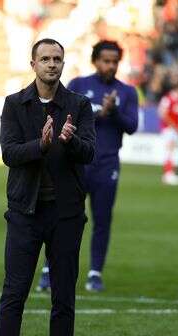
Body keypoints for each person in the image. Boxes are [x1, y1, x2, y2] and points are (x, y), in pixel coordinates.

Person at [0, 38, 95, 336]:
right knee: (15, 292)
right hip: (24, 212)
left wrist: (69, 141)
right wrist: (42, 145)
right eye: (45, 59)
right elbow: (9, 153)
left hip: (66, 214)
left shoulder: (79, 105)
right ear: (33, 63)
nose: (52, 64)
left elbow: (89, 153)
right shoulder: (14, 104)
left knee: (64, 294)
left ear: (63, 64)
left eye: (57, 59)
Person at [36, 40, 138, 293]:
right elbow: (60, 118)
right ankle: (50, 269)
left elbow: (132, 126)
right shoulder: (79, 85)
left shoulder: (127, 92)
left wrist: (113, 112)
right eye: (106, 60)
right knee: (63, 218)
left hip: (107, 165)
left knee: (102, 220)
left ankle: (94, 273)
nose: (111, 65)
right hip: (75, 164)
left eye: (115, 61)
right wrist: (100, 113)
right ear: (95, 61)